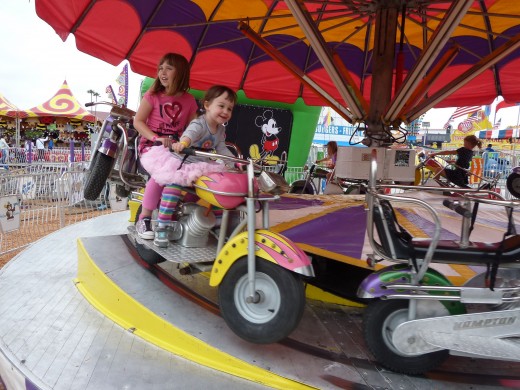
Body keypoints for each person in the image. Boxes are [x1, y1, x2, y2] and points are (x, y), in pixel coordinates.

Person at [140, 85, 237, 247]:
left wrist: (235, 162)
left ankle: (219, 225)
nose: (225, 111)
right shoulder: (200, 123)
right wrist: (183, 143)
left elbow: (221, 148)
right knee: (174, 187)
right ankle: (162, 227)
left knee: (218, 187)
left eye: (229, 108)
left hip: (201, 163)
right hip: (183, 161)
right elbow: (189, 134)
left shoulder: (220, 130)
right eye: (221, 106)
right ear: (207, 105)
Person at [133, 53, 199, 240]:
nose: (163, 72)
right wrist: (157, 138)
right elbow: (138, 121)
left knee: (194, 174)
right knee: (164, 172)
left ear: (181, 73)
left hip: (176, 148)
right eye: (161, 67)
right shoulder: (152, 96)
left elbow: (195, 128)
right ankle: (144, 218)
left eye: (169, 68)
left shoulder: (189, 100)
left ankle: (185, 214)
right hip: (151, 146)